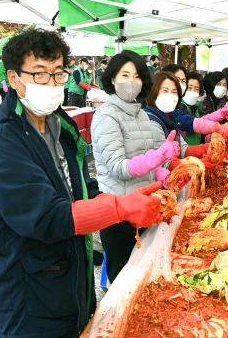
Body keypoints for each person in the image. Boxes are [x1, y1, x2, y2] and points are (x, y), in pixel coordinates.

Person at [0, 28, 165, 338]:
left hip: (72, 278)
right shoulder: (2, 143)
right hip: (28, 295)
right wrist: (119, 207)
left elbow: (78, 190)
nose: (51, 83)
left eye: (58, 74)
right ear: (14, 77)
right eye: (40, 74)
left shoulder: (61, 126)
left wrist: (125, 197)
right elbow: (47, 216)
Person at [91, 50, 182, 282]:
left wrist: (164, 175)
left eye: (137, 76)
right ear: (112, 79)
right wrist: (158, 155)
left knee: (146, 278)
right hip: (119, 212)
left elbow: (147, 161)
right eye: (124, 75)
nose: (132, 82)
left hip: (145, 207)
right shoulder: (106, 117)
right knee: (124, 280)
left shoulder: (141, 115)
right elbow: (118, 167)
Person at [144, 72, 225, 174]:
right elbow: (161, 164)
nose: (171, 96)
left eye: (174, 92)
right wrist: (195, 164)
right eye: (165, 91)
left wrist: (208, 149)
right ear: (153, 92)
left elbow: (182, 148)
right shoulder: (152, 122)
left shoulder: (169, 117)